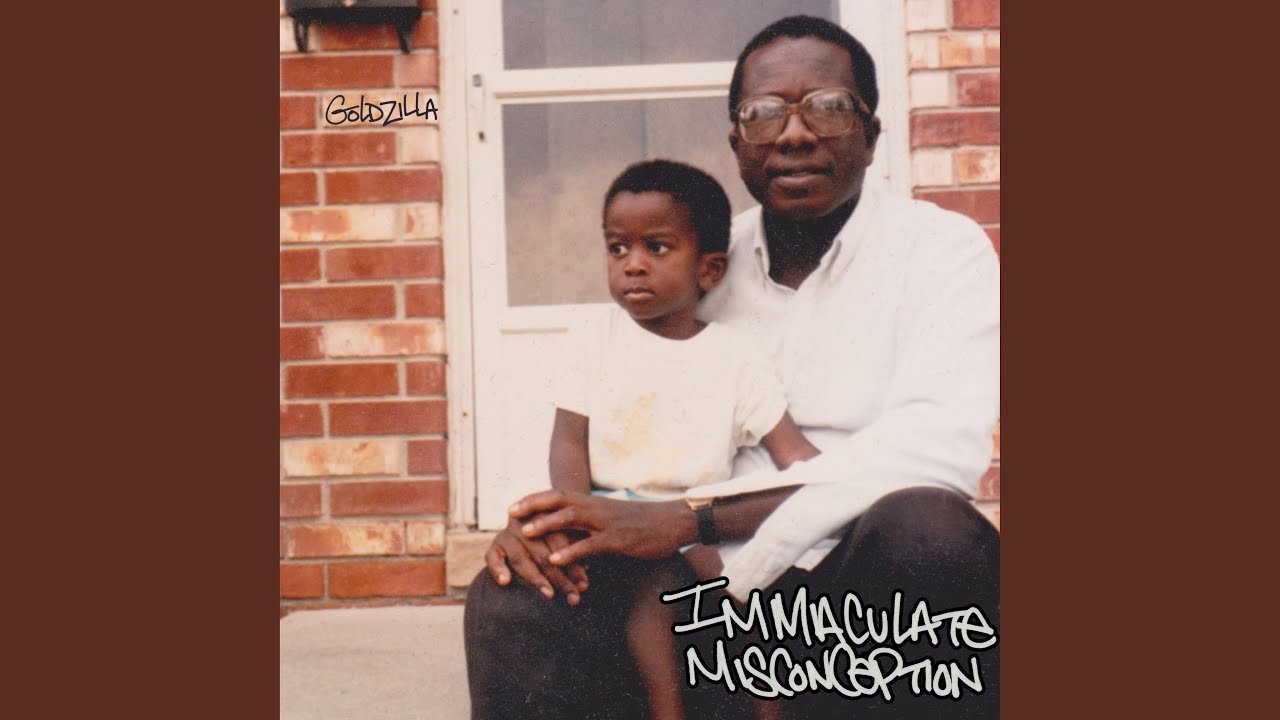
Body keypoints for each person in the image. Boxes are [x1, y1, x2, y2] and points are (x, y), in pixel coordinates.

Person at [465, 15, 1000, 720]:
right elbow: (605, 405)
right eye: (763, 114)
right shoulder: (692, 264)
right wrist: (549, 521)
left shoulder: (942, 252)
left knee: (933, 530)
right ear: (736, 145)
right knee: (515, 588)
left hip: (862, 594)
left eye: (828, 108)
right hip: (693, 598)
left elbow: (936, 453)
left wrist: (692, 519)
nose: (794, 134)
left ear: (871, 136)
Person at [547, 158, 819, 720]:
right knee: (657, 593)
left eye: (657, 248)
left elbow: (794, 455)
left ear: (710, 270)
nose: (633, 265)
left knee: (749, 599)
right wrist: (574, 513)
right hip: (611, 517)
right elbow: (569, 441)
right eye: (617, 248)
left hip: (696, 523)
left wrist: (843, 482)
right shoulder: (593, 339)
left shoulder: (734, 357)